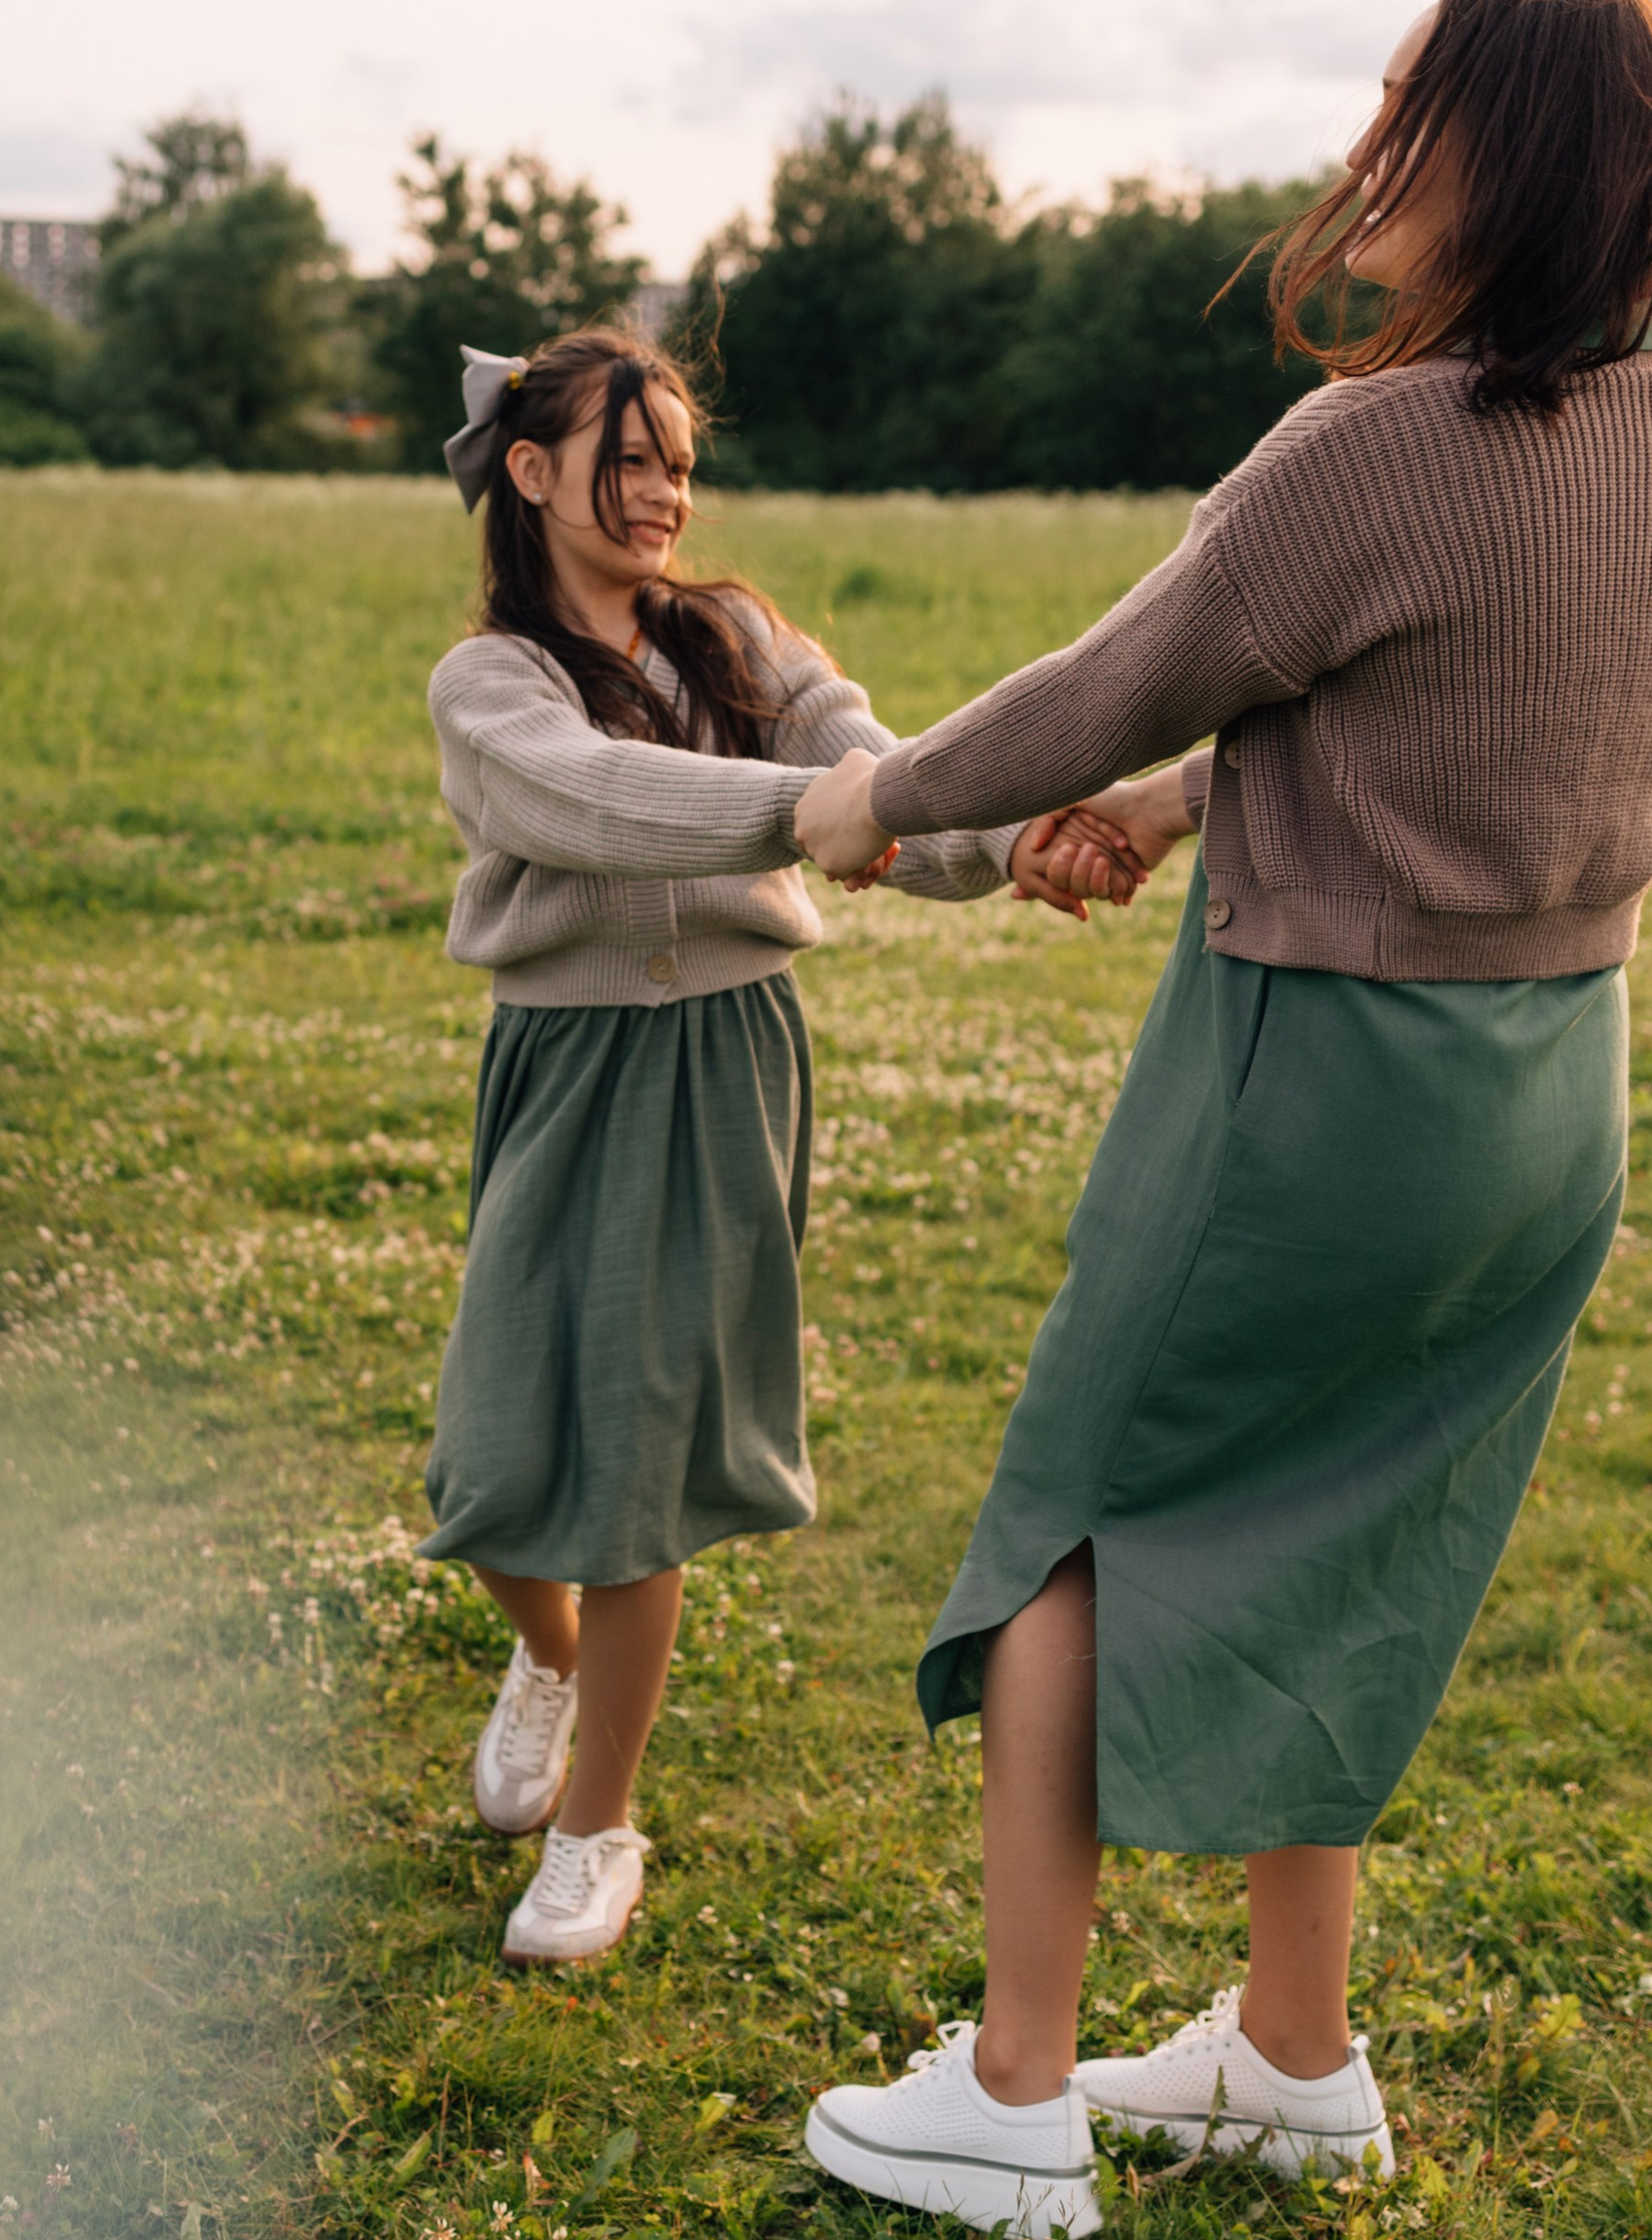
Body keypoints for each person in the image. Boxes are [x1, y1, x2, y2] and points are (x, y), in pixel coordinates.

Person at [791, 0, 1652, 2240]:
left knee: (1077, 1510)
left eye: (1407, 103)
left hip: (1313, 1079)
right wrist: (1164, 816)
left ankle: (1013, 2095)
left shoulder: (1375, 444)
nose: (1372, 140)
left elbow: (1118, 666)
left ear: (1489, 154)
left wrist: (872, 804)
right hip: (1541, 1096)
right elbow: (1455, 734)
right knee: (1355, 1519)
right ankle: (1289, 2052)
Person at [422, 326, 1138, 1971]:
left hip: (721, 1064)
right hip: (570, 1060)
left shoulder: (739, 635)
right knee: (488, 1457)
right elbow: (590, 798)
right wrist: (811, 815)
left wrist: (1014, 832)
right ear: (530, 472)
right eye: (631, 455)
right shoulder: (493, 682)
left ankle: (600, 1827)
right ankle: (546, 1657)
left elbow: (875, 767)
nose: (668, 488)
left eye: (681, 457)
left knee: (643, 1456)